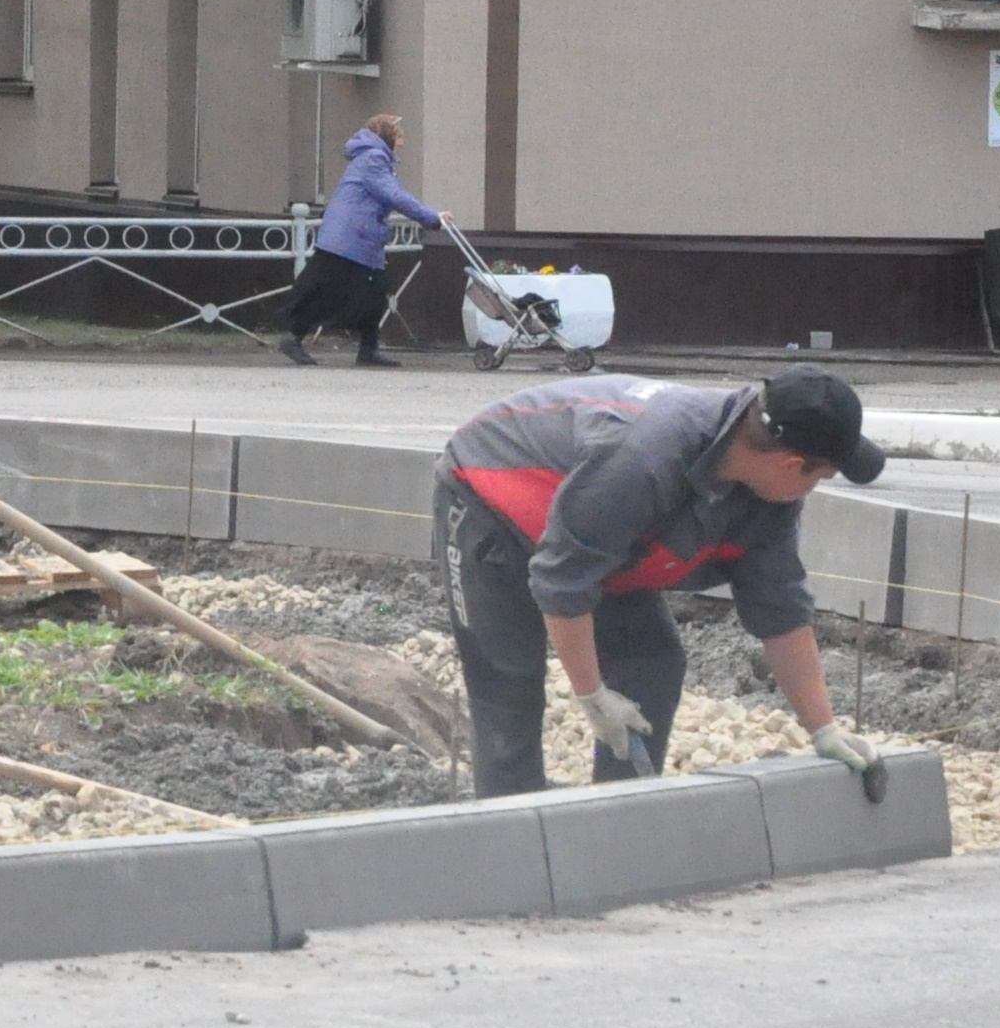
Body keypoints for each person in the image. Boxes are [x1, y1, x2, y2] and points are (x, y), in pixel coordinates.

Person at [434, 365, 895, 799]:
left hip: (599, 535)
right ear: (792, 464)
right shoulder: (641, 460)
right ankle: (513, 847)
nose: (816, 488)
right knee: (509, 684)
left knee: (651, 662)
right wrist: (593, 696)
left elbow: (781, 611)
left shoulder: (766, 501)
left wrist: (824, 730)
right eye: (824, 476)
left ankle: (619, 831)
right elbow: (563, 581)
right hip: (489, 503)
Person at [285, 112, 440, 366]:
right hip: (347, 240)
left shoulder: (377, 159)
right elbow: (394, 195)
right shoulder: (374, 159)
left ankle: (368, 350)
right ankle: (294, 337)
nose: (402, 137)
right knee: (324, 290)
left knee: (375, 291)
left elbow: (392, 194)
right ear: (386, 135)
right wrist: (431, 217)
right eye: (397, 132)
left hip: (358, 239)